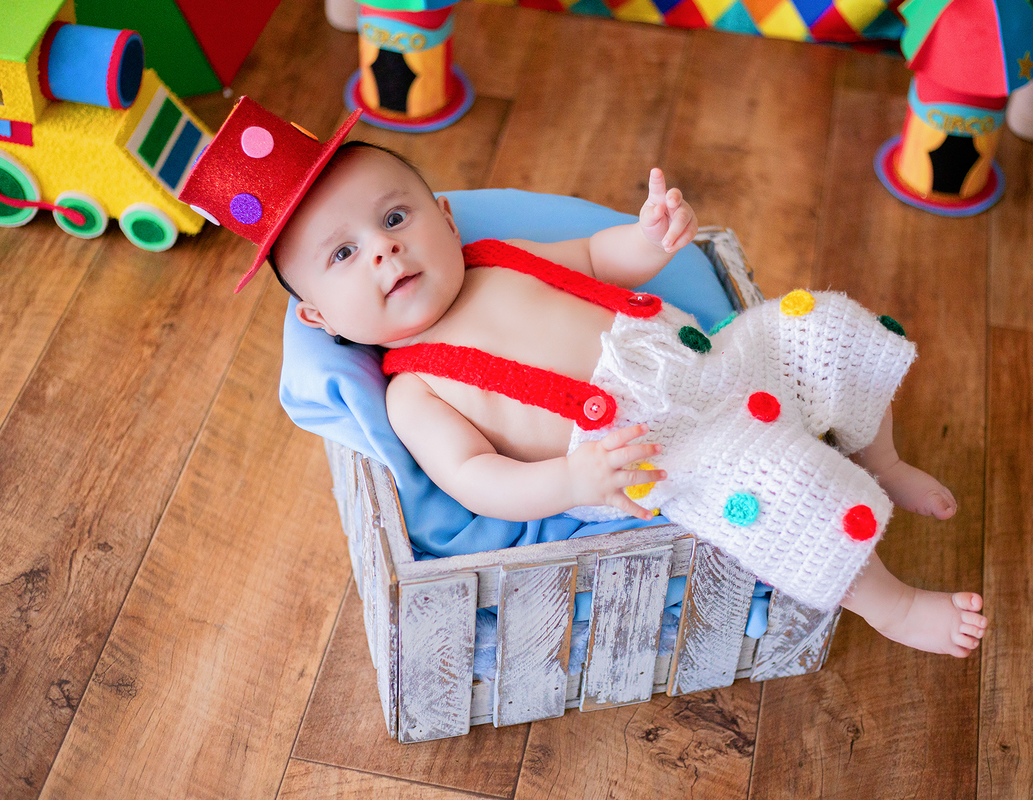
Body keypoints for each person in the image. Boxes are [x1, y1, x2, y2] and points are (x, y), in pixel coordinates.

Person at [180, 100, 986, 657]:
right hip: (663, 448)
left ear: (448, 220)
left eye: (394, 218)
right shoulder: (413, 389)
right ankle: (892, 604)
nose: (384, 250)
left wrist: (650, 239)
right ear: (321, 318)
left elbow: (601, 257)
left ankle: (880, 456)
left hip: (713, 359)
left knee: (826, 327)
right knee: (791, 487)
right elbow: (474, 480)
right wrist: (570, 477)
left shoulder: (497, 259)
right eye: (344, 255)